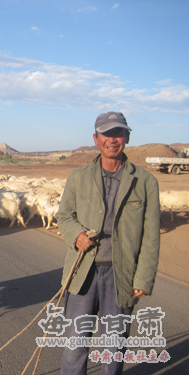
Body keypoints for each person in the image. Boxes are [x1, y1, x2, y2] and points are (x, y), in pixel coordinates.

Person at [56, 112, 160, 375]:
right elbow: (64, 216)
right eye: (106, 134)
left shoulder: (146, 182)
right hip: (83, 274)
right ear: (96, 139)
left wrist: (144, 278)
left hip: (121, 275)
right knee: (76, 345)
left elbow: (150, 234)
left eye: (118, 133)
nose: (112, 139)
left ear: (126, 137)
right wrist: (76, 234)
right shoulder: (78, 176)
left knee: (114, 348)